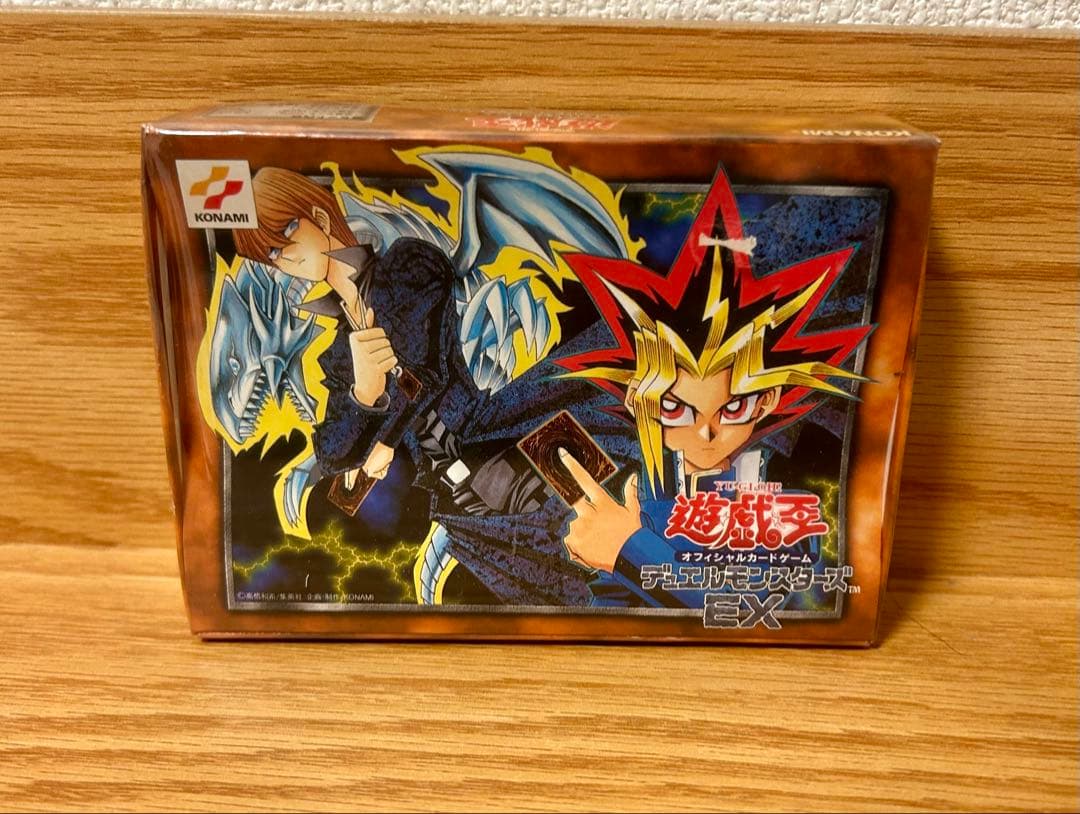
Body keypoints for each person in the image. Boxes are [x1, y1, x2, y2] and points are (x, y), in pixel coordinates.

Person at [233, 167, 639, 605]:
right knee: (561, 590)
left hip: (496, 441)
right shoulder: (338, 353)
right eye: (272, 253)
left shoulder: (406, 266)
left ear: (319, 216)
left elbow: (429, 372)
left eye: (287, 233)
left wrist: (383, 439)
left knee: (604, 525)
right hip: (457, 502)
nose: (286, 257)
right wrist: (363, 394)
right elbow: (334, 452)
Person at [550, 167, 873, 609]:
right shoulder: (642, 495)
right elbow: (615, 609)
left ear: (767, 399)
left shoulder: (787, 509)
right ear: (639, 400)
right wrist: (607, 550)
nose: (706, 432)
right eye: (676, 409)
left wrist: (626, 550)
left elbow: (749, 606)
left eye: (732, 408)